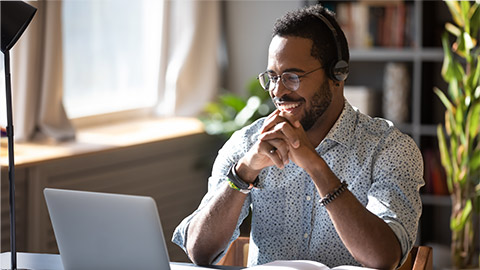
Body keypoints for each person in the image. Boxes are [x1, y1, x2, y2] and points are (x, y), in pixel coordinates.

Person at [172, 4, 424, 270]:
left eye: (292, 76)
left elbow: (383, 258)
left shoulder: (390, 149)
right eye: (272, 77)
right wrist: (244, 172)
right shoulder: (248, 144)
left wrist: (316, 166)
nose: (278, 91)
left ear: (337, 74)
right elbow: (199, 253)